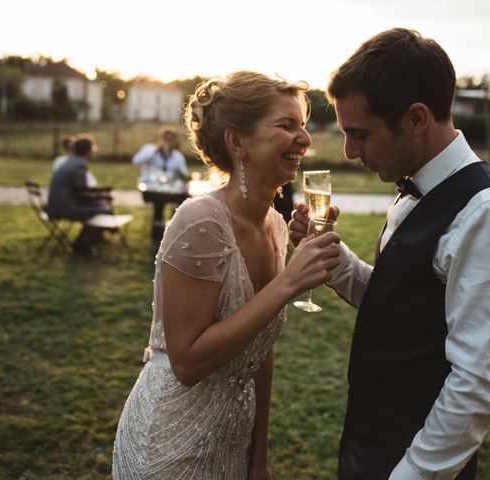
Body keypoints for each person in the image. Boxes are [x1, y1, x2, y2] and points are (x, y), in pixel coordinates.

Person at [289, 28, 490, 479]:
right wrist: (332, 255)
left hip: (416, 461)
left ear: (416, 119)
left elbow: (475, 384)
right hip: (369, 440)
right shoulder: (412, 187)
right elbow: (396, 303)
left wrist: (411, 473)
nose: (350, 151)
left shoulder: (489, 214)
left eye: (360, 134)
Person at [112, 71, 340, 479]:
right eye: (287, 126)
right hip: (169, 442)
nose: (304, 138)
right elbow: (186, 363)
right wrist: (290, 283)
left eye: (302, 126)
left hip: (233, 442)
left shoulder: (276, 225)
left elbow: (260, 346)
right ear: (238, 142)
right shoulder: (200, 222)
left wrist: (259, 456)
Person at [46, 133, 112, 255]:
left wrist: (97, 198)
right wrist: (100, 198)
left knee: (98, 207)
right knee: (104, 210)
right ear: (89, 150)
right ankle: (83, 244)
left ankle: (84, 241)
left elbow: (79, 192)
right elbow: (81, 192)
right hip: (64, 208)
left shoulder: (71, 161)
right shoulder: (79, 164)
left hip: (55, 205)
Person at [133, 126, 190, 241]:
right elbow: (136, 161)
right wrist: (155, 151)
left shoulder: (177, 156)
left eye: (170, 139)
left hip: (170, 190)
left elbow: (183, 174)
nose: (167, 142)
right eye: (165, 138)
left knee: (182, 201)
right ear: (160, 138)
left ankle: (174, 230)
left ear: (174, 141)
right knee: (158, 203)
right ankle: (156, 233)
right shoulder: (150, 150)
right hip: (153, 189)